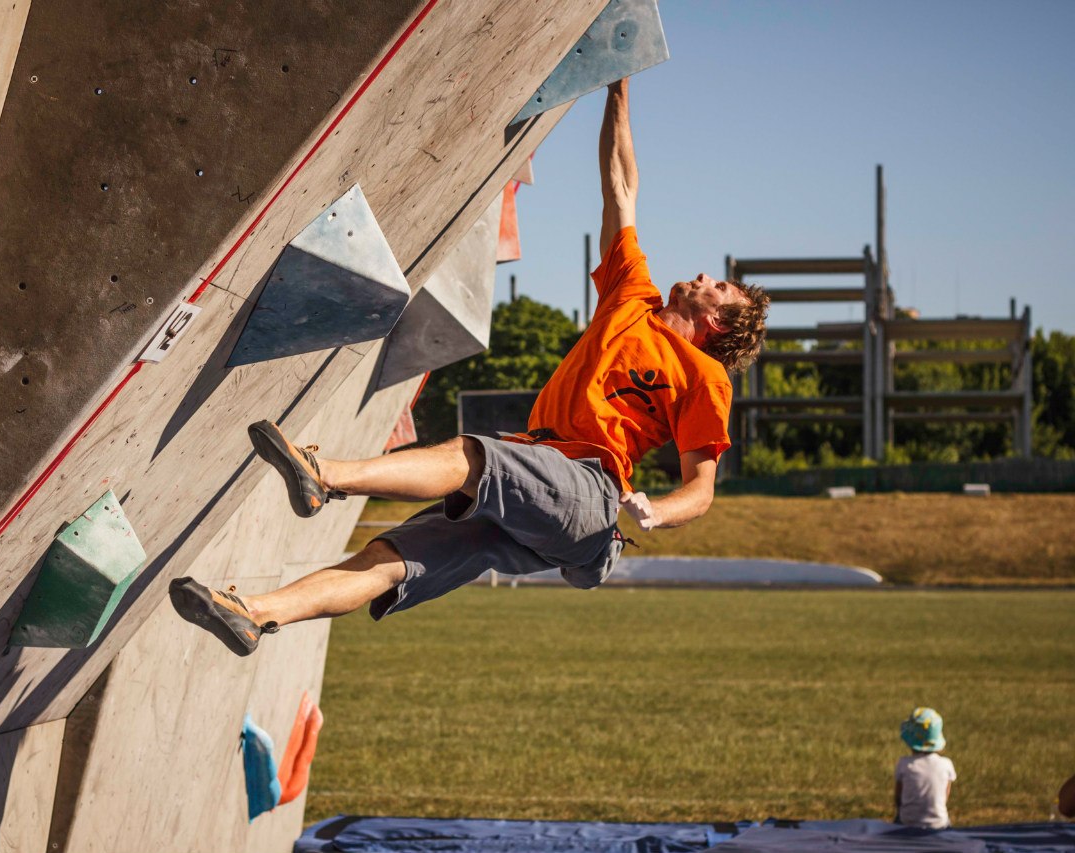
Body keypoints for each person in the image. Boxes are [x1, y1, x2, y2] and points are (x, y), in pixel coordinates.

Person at [168, 77, 769, 655]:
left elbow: (701, 490)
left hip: (590, 492)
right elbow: (621, 185)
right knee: (387, 559)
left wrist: (655, 511)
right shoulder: (630, 293)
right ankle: (254, 614)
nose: (704, 277)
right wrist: (619, 89)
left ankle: (324, 475)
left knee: (471, 457)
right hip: (539, 487)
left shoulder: (704, 377)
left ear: (719, 324)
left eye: (720, 288)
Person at [894, 707, 957, 829]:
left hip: (907, 823)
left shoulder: (904, 764)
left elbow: (898, 798)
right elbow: (945, 796)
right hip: (938, 825)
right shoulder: (946, 764)